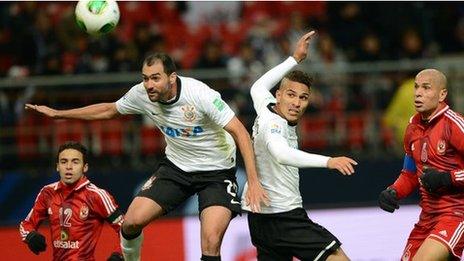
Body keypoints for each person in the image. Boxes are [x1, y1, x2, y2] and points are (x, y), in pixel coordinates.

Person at [25, 52, 268, 261]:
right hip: (177, 168)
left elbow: (241, 133)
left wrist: (253, 182)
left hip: (216, 172)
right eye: (145, 78)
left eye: (155, 78)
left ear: (172, 78)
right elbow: (109, 109)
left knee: (211, 240)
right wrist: (59, 114)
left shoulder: (200, 95)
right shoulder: (141, 94)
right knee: (130, 223)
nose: (148, 85)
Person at [241, 30, 357, 260]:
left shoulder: (265, 106)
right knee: (337, 258)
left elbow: (256, 87)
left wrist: (294, 58)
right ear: (279, 95)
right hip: (283, 217)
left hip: (261, 219)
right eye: (291, 95)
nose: (296, 103)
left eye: (303, 98)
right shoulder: (273, 124)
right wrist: (329, 161)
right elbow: (282, 154)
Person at [378, 69, 464, 260]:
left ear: (442, 94)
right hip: (426, 218)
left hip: (455, 213)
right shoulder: (412, 129)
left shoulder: (454, 124)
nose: (418, 93)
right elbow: (409, 173)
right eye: (417, 87)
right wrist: (393, 191)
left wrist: (446, 178)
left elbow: (447, 177)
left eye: (426, 88)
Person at [19, 141, 124, 261]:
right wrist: (30, 236)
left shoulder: (97, 195)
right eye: (64, 162)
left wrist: (118, 255)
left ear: (85, 167)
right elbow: (26, 224)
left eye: (75, 162)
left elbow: (126, 230)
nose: (69, 166)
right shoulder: (47, 193)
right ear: (57, 166)